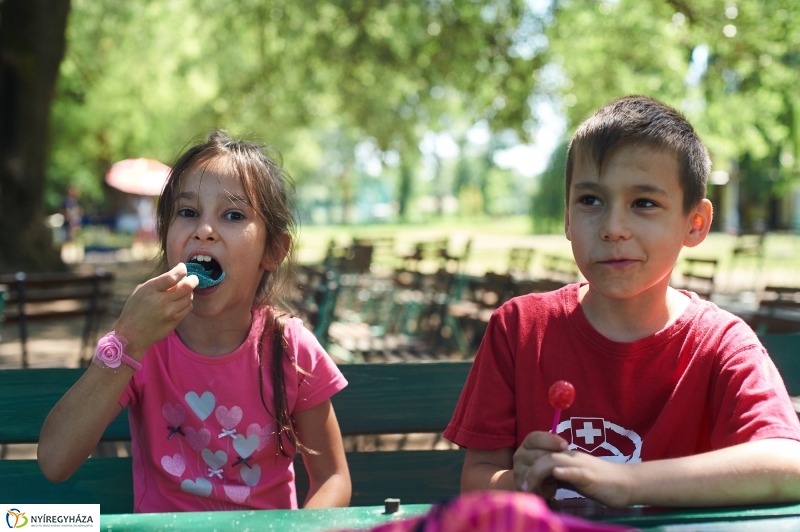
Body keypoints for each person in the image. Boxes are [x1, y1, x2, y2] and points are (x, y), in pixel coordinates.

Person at [443, 95, 800, 508]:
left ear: (695, 222)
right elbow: (478, 479)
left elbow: (788, 462)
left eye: (644, 203)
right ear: (566, 219)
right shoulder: (520, 328)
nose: (613, 228)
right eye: (590, 200)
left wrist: (628, 483)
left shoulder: (720, 344)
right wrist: (521, 482)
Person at [38, 130, 351, 512]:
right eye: (187, 213)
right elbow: (54, 461)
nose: (204, 229)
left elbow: (333, 477)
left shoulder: (290, 348)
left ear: (273, 250)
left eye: (233, 215)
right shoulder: (141, 344)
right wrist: (126, 343)